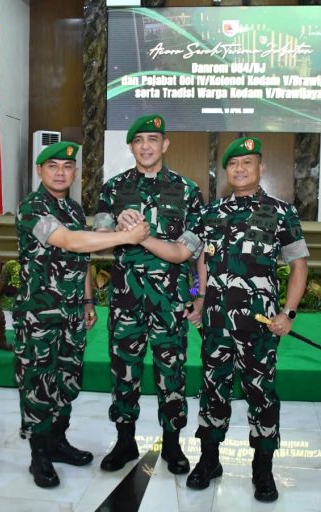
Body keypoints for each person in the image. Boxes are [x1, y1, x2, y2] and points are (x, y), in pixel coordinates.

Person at [13, 141, 150, 489]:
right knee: (38, 383)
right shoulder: (32, 207)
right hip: (39, 316)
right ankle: (39, 455)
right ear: (40, 171)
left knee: (66, 379)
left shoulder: (73, 208)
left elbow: (81, 259)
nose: (61, 173)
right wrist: (126, 236)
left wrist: (88, 301)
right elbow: (71, 242)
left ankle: (57, 442)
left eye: (67, 167)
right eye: (53, 166)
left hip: (72, 313)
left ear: (75, 173)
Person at [186, 136, 309, 502]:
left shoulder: (281, 212)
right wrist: (198, 297)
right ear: (226, 170)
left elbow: (299, 265)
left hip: (259, 326)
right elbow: (200, 259)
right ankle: (209, 460)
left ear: (261, 168)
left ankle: (263, 469)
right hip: (215, 325)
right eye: (233, 164)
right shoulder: (211, 212)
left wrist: (288, 313)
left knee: (261, 395)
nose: (240, 169)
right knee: (212, 390)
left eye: (247, 163)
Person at [93, 114, 203, 475]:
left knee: (172, 372)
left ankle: (172, 444)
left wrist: (141, 238)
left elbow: (189, 251)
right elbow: (99, 238)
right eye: (138, 140)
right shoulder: (113, 189)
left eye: (152, 140)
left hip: (170, 303)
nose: (145, 147)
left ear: (165, 144)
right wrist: (118, 226)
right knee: (123, 372)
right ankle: (125, 442)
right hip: (126, 301)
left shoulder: (188, 191)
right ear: (131, 147)